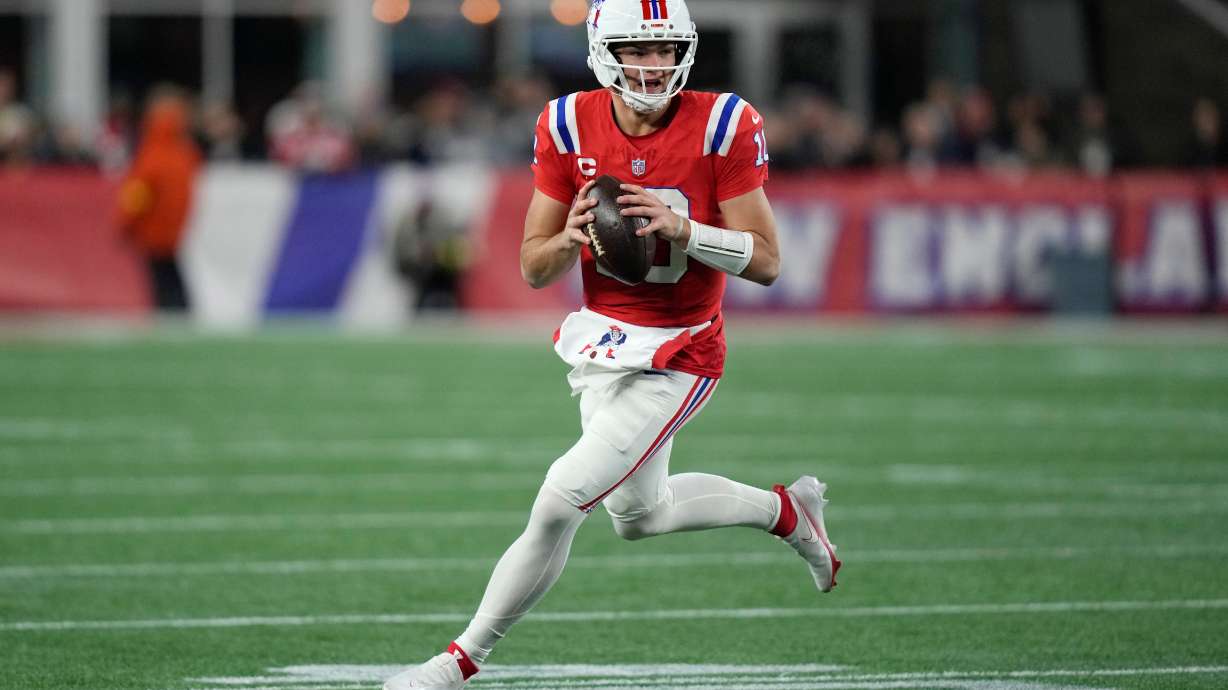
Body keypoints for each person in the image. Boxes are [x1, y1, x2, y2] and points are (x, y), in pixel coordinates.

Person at [384, 2, 840, 688]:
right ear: (604, 50)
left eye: (666, 51)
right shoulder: (567, 122)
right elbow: (533, 266)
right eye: (638, 49)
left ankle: (457, 662)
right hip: (604, 341)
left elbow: (769, 261)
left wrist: (685, 232)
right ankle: (787, 512)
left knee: (560, 499)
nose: (655, 66)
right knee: (639, 516)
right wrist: (568, 238)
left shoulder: (723, 122)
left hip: (681, 348)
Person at [116, 87, 201, 311]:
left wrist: (125, 222)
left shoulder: (152, 153)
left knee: (162, 282)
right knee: (172, 278)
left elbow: (137, 194)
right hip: (176, 230)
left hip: (153, 231)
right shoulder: (186, 152)